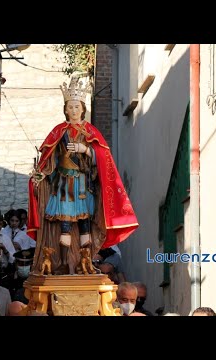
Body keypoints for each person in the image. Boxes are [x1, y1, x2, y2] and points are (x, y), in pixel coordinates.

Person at [27, 77, 138, 275]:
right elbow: (48, 159)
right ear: (66, 109)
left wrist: (85, 149)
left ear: (83, 108)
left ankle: (85, 263)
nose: (74, 110)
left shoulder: (91, 132)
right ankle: (63, 262)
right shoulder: (58, 132)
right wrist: (40, 175)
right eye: (70, 106)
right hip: (63, 186)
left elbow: (103, 159)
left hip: (83, 185)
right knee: (65, 225)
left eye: (77, 106)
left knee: (85, 225)